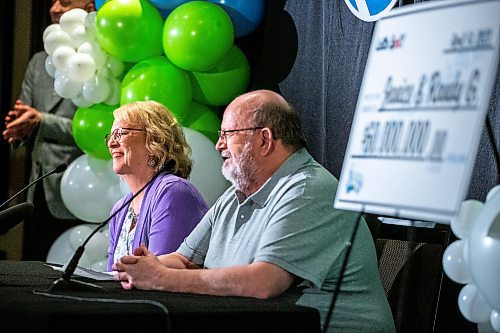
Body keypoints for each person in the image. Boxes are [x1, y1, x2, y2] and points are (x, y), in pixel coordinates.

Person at [114, 90, 395, 332]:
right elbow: (184, 260)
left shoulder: (309, 189)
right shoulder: (233, 196)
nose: (218, 145)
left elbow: (265, 283)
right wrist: (140, 269)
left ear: (264, 140)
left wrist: (161, 278)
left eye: (227, 134)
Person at [2, 0, 95, 261]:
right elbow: (27, 112)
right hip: (39, 188)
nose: (54, 8)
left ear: (88, 7)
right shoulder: (38, 62)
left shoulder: (99, 59)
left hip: (80, 187)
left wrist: (41, 120)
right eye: (53, 2)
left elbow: (94, 132)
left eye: (64, 2)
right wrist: (19, 130)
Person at [106, 101, 208, 271]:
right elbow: (109, 278)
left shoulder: (173, 192)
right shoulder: (120, 209)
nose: (112, 143)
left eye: (121, 133)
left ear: (156, 140)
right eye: (110, 136)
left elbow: (159, 278)